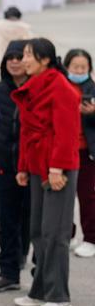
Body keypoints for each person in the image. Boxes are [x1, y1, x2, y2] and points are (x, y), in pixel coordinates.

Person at [12, 38, 80, 306]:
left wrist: (57, 169)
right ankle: (40, 290)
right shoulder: (33, 85)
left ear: (45, 60)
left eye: (29, 55)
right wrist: (23, 167)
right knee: (38, 231)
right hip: (38, 165)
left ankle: (59, 296)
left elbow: (66, 133)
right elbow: (27, 133)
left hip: (57, 168)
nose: (23, 60)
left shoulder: (61, 87)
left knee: (56, 233)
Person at [0, 40, 31, 292]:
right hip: (4, 166)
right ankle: (8, 272)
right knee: (7, 219)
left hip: (33, 167)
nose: (14, 61)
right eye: (9, 57)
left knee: (31, 218)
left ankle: (29, 260)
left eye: (19, 57)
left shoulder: (37, 88)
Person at [64, 48, 95, 258]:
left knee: (88, 196)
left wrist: (92, 114)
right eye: (75, 67)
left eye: (83, 67)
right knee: (63, 197)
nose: (79, 70)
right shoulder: (61, 86)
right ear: (67, 67)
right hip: (64, 150)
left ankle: (91, 238)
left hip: (86, 152)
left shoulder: (92, 88)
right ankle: (69, 234)